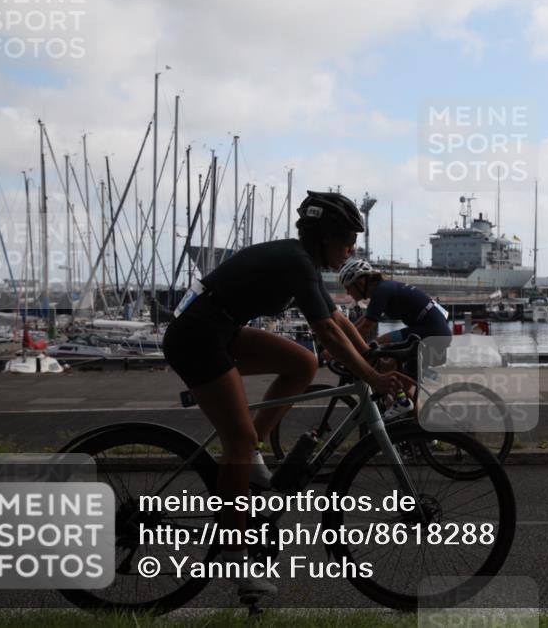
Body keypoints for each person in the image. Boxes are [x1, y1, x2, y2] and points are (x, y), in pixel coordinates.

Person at [162, 191, 411, 598]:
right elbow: (327, 332)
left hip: (218, 329)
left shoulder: (303, 264)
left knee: (303, 364)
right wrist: (370, 376)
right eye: (348, 239)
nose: (352, 249)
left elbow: (334, 318)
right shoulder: (297, 261)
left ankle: (252, 451)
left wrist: (371, 356)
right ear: (325, 237)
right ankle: (235, 556)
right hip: (198, 337)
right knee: (236, 441)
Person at [338, 258, 452, 414]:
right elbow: (362, 321)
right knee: (387, 366)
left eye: (348, 287)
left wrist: (339, 347)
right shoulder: (382, 289)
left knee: (379, 345)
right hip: (430, 331)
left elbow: (367, 325)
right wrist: (341, 335)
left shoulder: (381, 290)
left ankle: (405, 408)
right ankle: (417, 428)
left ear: (361, 282)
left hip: (431, 332)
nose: (347, 292)